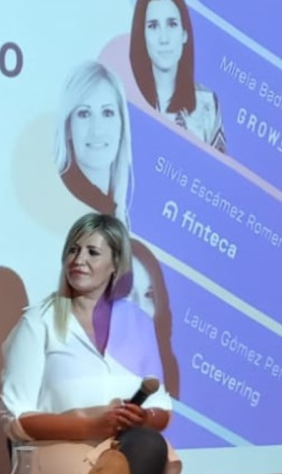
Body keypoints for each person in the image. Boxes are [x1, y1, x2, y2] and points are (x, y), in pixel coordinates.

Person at [0, 213, 177, 474]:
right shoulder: (38, 322)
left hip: (120, 457)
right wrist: (86, 424)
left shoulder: (138, 324)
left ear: (115, 265)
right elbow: (15, 419)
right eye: (73, 250)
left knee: (148, 443)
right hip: (58, 460)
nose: (78, 259)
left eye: (92, 252)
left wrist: (141, 416)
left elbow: (162, 409)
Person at [55, 60, 181, 396]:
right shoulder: (56, 217)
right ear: (67, 126)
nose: (97, 129)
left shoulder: (123, 216)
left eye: (108, 113)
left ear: (123, 124)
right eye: (84, 114)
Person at [129, 0, 226, 152]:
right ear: (142, 36)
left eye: (172, 24)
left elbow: (217, 173)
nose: (164, 39)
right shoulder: (126, 100)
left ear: (184, 34)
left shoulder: (207, 103)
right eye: (153, 26)